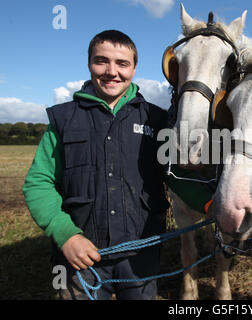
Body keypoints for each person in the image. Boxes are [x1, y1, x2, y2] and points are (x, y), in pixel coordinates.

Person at [23, 30, 213, 300]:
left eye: (122, 63)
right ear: (89, 63)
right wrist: (66, 236)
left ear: (134, 68)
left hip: (141, 257)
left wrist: (209, 204)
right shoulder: (63, 120)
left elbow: (175, 174)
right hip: (81, 257)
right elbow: (38, 183)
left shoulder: (156, 120)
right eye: (102, 61)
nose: (112, 71)